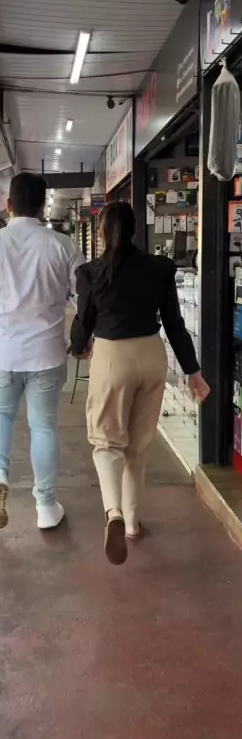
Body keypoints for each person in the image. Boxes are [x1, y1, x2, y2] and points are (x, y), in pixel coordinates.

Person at [70, 201, 209, 566]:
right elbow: (174, 323)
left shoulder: (91, 273)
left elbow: (83, 325)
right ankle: (132, 523)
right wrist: (193, 371)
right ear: (135, 231)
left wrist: (78, 345)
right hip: (151, 356)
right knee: (138, 445)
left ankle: (113, 512)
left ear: (102, 232)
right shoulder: (159, 268)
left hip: (112, 358)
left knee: (107, 442)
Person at [0, 172, 85, 531]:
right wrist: (82, 339)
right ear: (43, 205)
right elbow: (85, 297)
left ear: (9, 205)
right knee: (43, 427)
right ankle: (46, 506)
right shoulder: (63, 246)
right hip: (48, 354)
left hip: (4, 354)